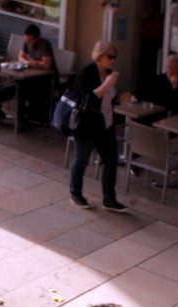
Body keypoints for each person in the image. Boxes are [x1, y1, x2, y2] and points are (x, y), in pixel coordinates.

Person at [68, 40, 128, 213]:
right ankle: (76, 194)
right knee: (82, 159)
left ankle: (109, 199)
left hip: (106, 124)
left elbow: (107, 99)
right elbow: (86, 100)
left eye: (115, 57)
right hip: (87, 124)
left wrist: (120, 98)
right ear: (100, 56)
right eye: (110, 57)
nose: (113, 60)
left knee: (111, 161)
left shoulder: (108, 73)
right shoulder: (87, 73)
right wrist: (106, 85)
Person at [17, 24, 57, 126]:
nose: (28, 43)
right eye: (26, 40)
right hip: (32, 76)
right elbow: (20, 57)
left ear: (38, 38)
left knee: (23, 87)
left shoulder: (45, 45)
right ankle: (21, 119)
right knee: (19, 85)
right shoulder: (27, 43)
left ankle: (26, 117)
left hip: (46, 79)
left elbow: (47, 66)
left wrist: (30, 62)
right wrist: (31, 62)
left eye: (30, 40)